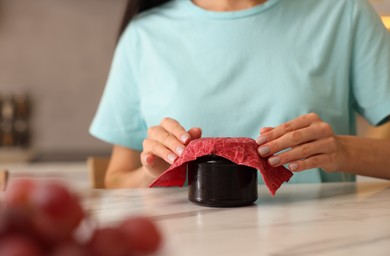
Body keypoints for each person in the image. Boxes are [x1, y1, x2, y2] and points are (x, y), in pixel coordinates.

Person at [90, 0, 390, 188]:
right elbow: (116, 180)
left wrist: (343, 151)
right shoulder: (144, 34)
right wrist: (153, 173)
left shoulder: (344, 11)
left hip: (320, 242)